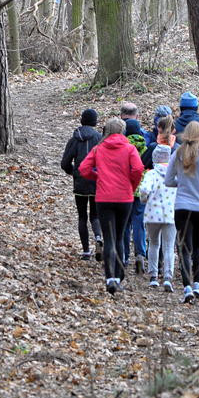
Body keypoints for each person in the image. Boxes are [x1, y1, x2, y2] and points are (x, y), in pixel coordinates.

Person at [79, 118, 144, 294]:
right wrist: (131, 184)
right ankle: (118, 276)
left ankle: (109, 278)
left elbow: (83, 169)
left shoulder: (98, 149)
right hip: (124, 197)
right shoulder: (130, 148)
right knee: (120, 235)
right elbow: (138, 169)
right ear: (122, 132)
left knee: (109, 238)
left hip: (104, 198)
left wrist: (98, 178)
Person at [164, 120, 199, 303]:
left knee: (184, 248)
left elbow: (168, 180)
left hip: (181, 206)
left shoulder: (178, 153)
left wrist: (180, 184)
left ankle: (187, 287)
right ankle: (198, 284)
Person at [60, 109, 103, 261]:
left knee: (82, 216)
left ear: (82, 120)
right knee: (95, 216)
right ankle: (98, 237)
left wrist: (73, 172)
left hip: (80, 182)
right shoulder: (100, 138)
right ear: (95, 121)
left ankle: (85, 250)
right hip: (97, 181)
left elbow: (65, 163)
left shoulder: (74, 139)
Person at [139, 144, 177, 291]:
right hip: (170, 214)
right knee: (169, 247)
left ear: (154, 158)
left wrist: (144, 199)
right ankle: (168, 277)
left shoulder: (151, 174)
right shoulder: (175, 175)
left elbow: (144, 189)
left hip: (152, 214)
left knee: (153, 244)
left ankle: (153, 276)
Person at [123, 119, 149, 272]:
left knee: (126, 224)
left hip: (126, 190)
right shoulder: (145, 147)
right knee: (139, 224)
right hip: (141, 190)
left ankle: (125, 256)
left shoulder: (124, 148)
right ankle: (140, 254)